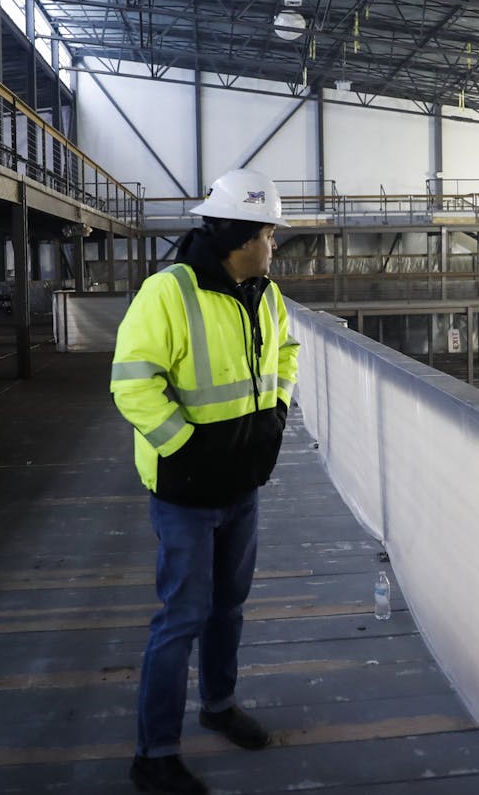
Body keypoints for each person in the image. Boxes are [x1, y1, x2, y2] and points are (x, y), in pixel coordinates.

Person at [111, 167, 300, 795]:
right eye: (269, 234)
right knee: (182, 617)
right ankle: (154, 753)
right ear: (240, 236)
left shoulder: (266, 294)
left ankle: (218, 708)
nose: (274, 245)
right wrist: (187, 449)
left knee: (228, 608)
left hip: (242, 486)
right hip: (187, 493)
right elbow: (133, 384)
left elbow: (287, 355)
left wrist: (275, 415)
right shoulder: (167, 293)